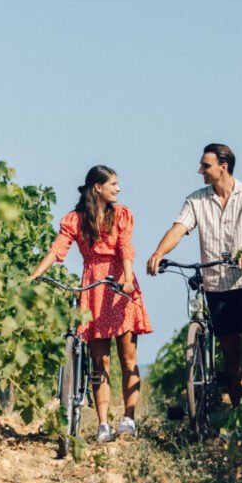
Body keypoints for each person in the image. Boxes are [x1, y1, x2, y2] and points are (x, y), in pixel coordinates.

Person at [146, 143, 242, 437]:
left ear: (223, 167)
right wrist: (158, 253)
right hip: (215, 286)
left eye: (205, 165)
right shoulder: (196, 200)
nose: (200, 170)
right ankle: (241, 418)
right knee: (230, 357)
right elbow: (179, 228)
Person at [30, 165, 152, 442]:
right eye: (114, 184)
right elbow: (58, 249)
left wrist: (128, 279)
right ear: (98, 187)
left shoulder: (121, 215)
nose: (118, 189)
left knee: (128, 358)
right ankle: (103, 424)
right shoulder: (75, 219)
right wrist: (35, 275)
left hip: (120, 283)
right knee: (100, 362)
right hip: (93, 287)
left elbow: (125, 247)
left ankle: (129, 419)